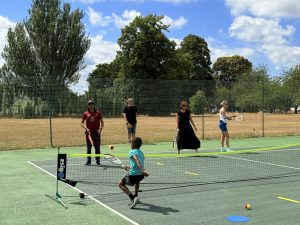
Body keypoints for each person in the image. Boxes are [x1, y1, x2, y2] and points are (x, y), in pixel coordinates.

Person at [119, 137, 149, 209]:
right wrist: (128, 167)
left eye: (131, 143)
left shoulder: (132, 152)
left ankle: (132, 198)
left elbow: (137, 160)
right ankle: (136, 196)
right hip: (140, 175)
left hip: (135, 174)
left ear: (133, 144)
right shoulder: (141, 153)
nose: (130, 144)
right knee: (137, 182)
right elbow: (137, 163)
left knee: (121, 184)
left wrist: (141, 170)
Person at [81, 100, 104, 165]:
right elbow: (82, 123)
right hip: (89, 133)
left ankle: (98, 161)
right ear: (88, 105)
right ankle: (89, 161)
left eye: (92, 104)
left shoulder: (98, 113)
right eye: (89, 104)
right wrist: (86, 128)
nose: (91, 106)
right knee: (89, 147)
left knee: (97, 147)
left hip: (97, 133)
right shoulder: (85, 114)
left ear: (94, 105)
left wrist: (100, 129)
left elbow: (102, 122)